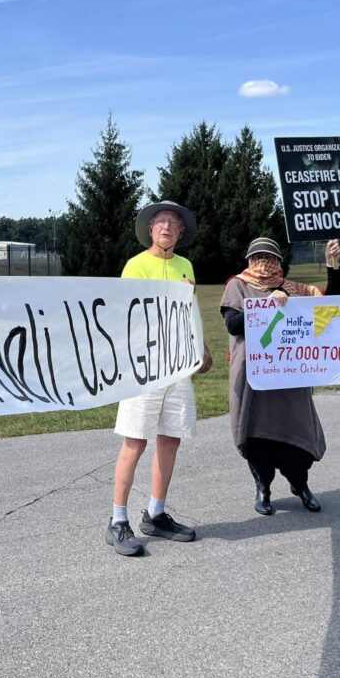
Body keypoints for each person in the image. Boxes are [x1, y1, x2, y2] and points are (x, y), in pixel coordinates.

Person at [105, 201, 213, 556]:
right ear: (151, 230)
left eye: (174, 223)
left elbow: (188, 313)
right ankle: (118, 520)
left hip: (178, 367)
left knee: (171, 438)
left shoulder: (185, 265)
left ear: (181, 233)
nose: (167, 227)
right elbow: (127, 313)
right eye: (161, 222)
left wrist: (202, 346)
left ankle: (156, 513)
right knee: (135, 441)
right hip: (145, 366)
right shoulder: (136, 265)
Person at [219, 237, 340, 516]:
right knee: (258, 437)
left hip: (291, 379)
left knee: (296, 433)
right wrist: (266, 304)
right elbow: (233, 325)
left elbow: (333, 306)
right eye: (258, 256)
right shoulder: (238, 285)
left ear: (279, 261)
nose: (264, 262)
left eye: (270, 256)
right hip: (255, 378)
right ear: (249, 260)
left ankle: (300, 485)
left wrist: (332, 266)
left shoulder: (296, 289)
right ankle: (263, 487)